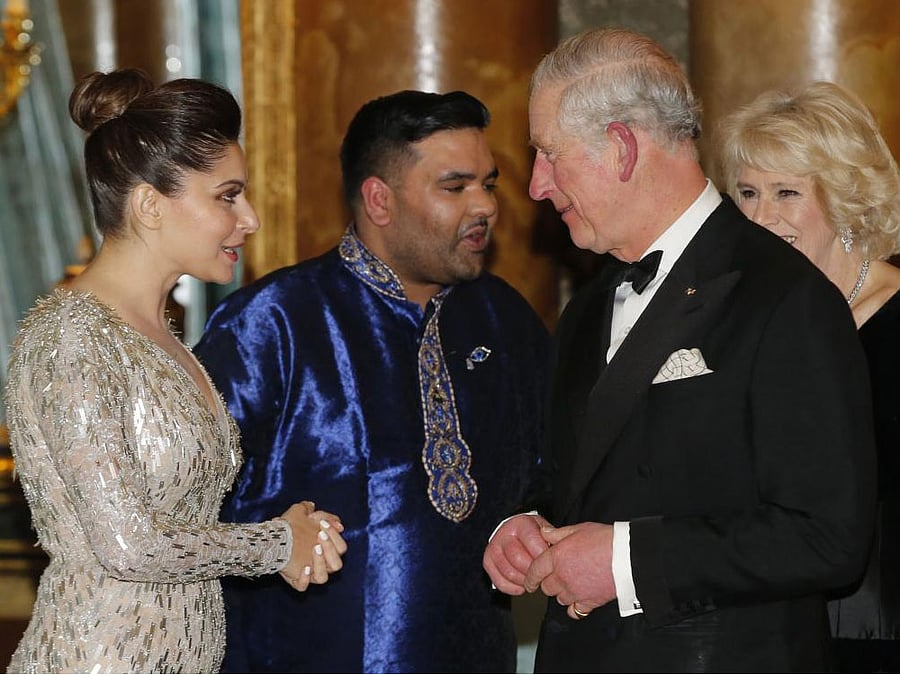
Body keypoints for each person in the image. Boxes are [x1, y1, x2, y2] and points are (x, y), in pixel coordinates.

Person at [482, 27, 878, 672]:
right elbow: (572, 483)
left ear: (621, 148)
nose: (536, 186)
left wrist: (625, 562)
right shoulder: (587, 307)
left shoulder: (785, 295)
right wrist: (522, 526)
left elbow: (828, 536)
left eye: (549, 154)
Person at [193, 89, 550, 673]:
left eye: (488, 184)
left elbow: (551, 476)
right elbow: (182, 513)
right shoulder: (273, 323)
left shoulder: (506, 320)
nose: (485, 205)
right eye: (455, 187)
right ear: (380, 200)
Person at [3, 69, 347, 674]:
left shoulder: (163, 338)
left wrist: (293, 535)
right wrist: (277, 543)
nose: (250, 219)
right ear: (149, 205)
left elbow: (180, 527)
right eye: (227, 196)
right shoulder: (71, 338)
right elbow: (128, 543)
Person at [717, 80, 900, 672]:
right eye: (747, 193)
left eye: (786, 193)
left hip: (876, 625)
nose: (759, 217)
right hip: (765, 620)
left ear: (846, 199)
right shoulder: (743, 316)